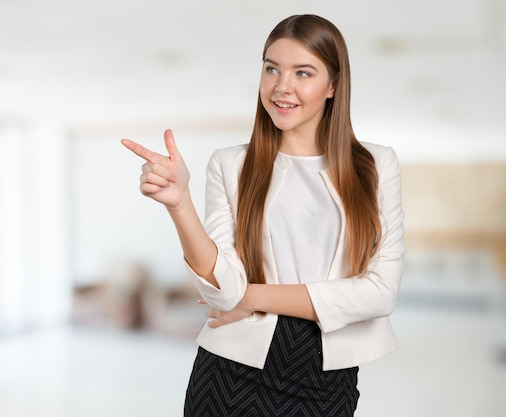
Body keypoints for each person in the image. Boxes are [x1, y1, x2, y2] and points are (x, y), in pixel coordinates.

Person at [122, 14, 404, 417]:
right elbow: (223, 291)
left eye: (302, 72)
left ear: (333, 86)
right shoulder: (230, 165)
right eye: (271, 68)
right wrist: (179, 203)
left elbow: (380, 293)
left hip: (328, 380)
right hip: (230, 376)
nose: (281, 87)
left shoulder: (376, 166)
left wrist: (251, 296)